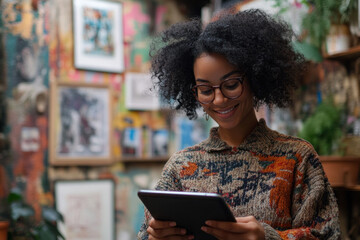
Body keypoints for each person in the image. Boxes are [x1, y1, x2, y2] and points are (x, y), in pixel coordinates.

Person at [138, 9, 341, 240]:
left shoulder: (298, 159)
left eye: (231, 85)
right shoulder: (180, 167)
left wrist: (268, 237)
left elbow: (329, 235)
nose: (219, 99)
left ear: (255, 77)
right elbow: (146, 234)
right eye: (205, 90)